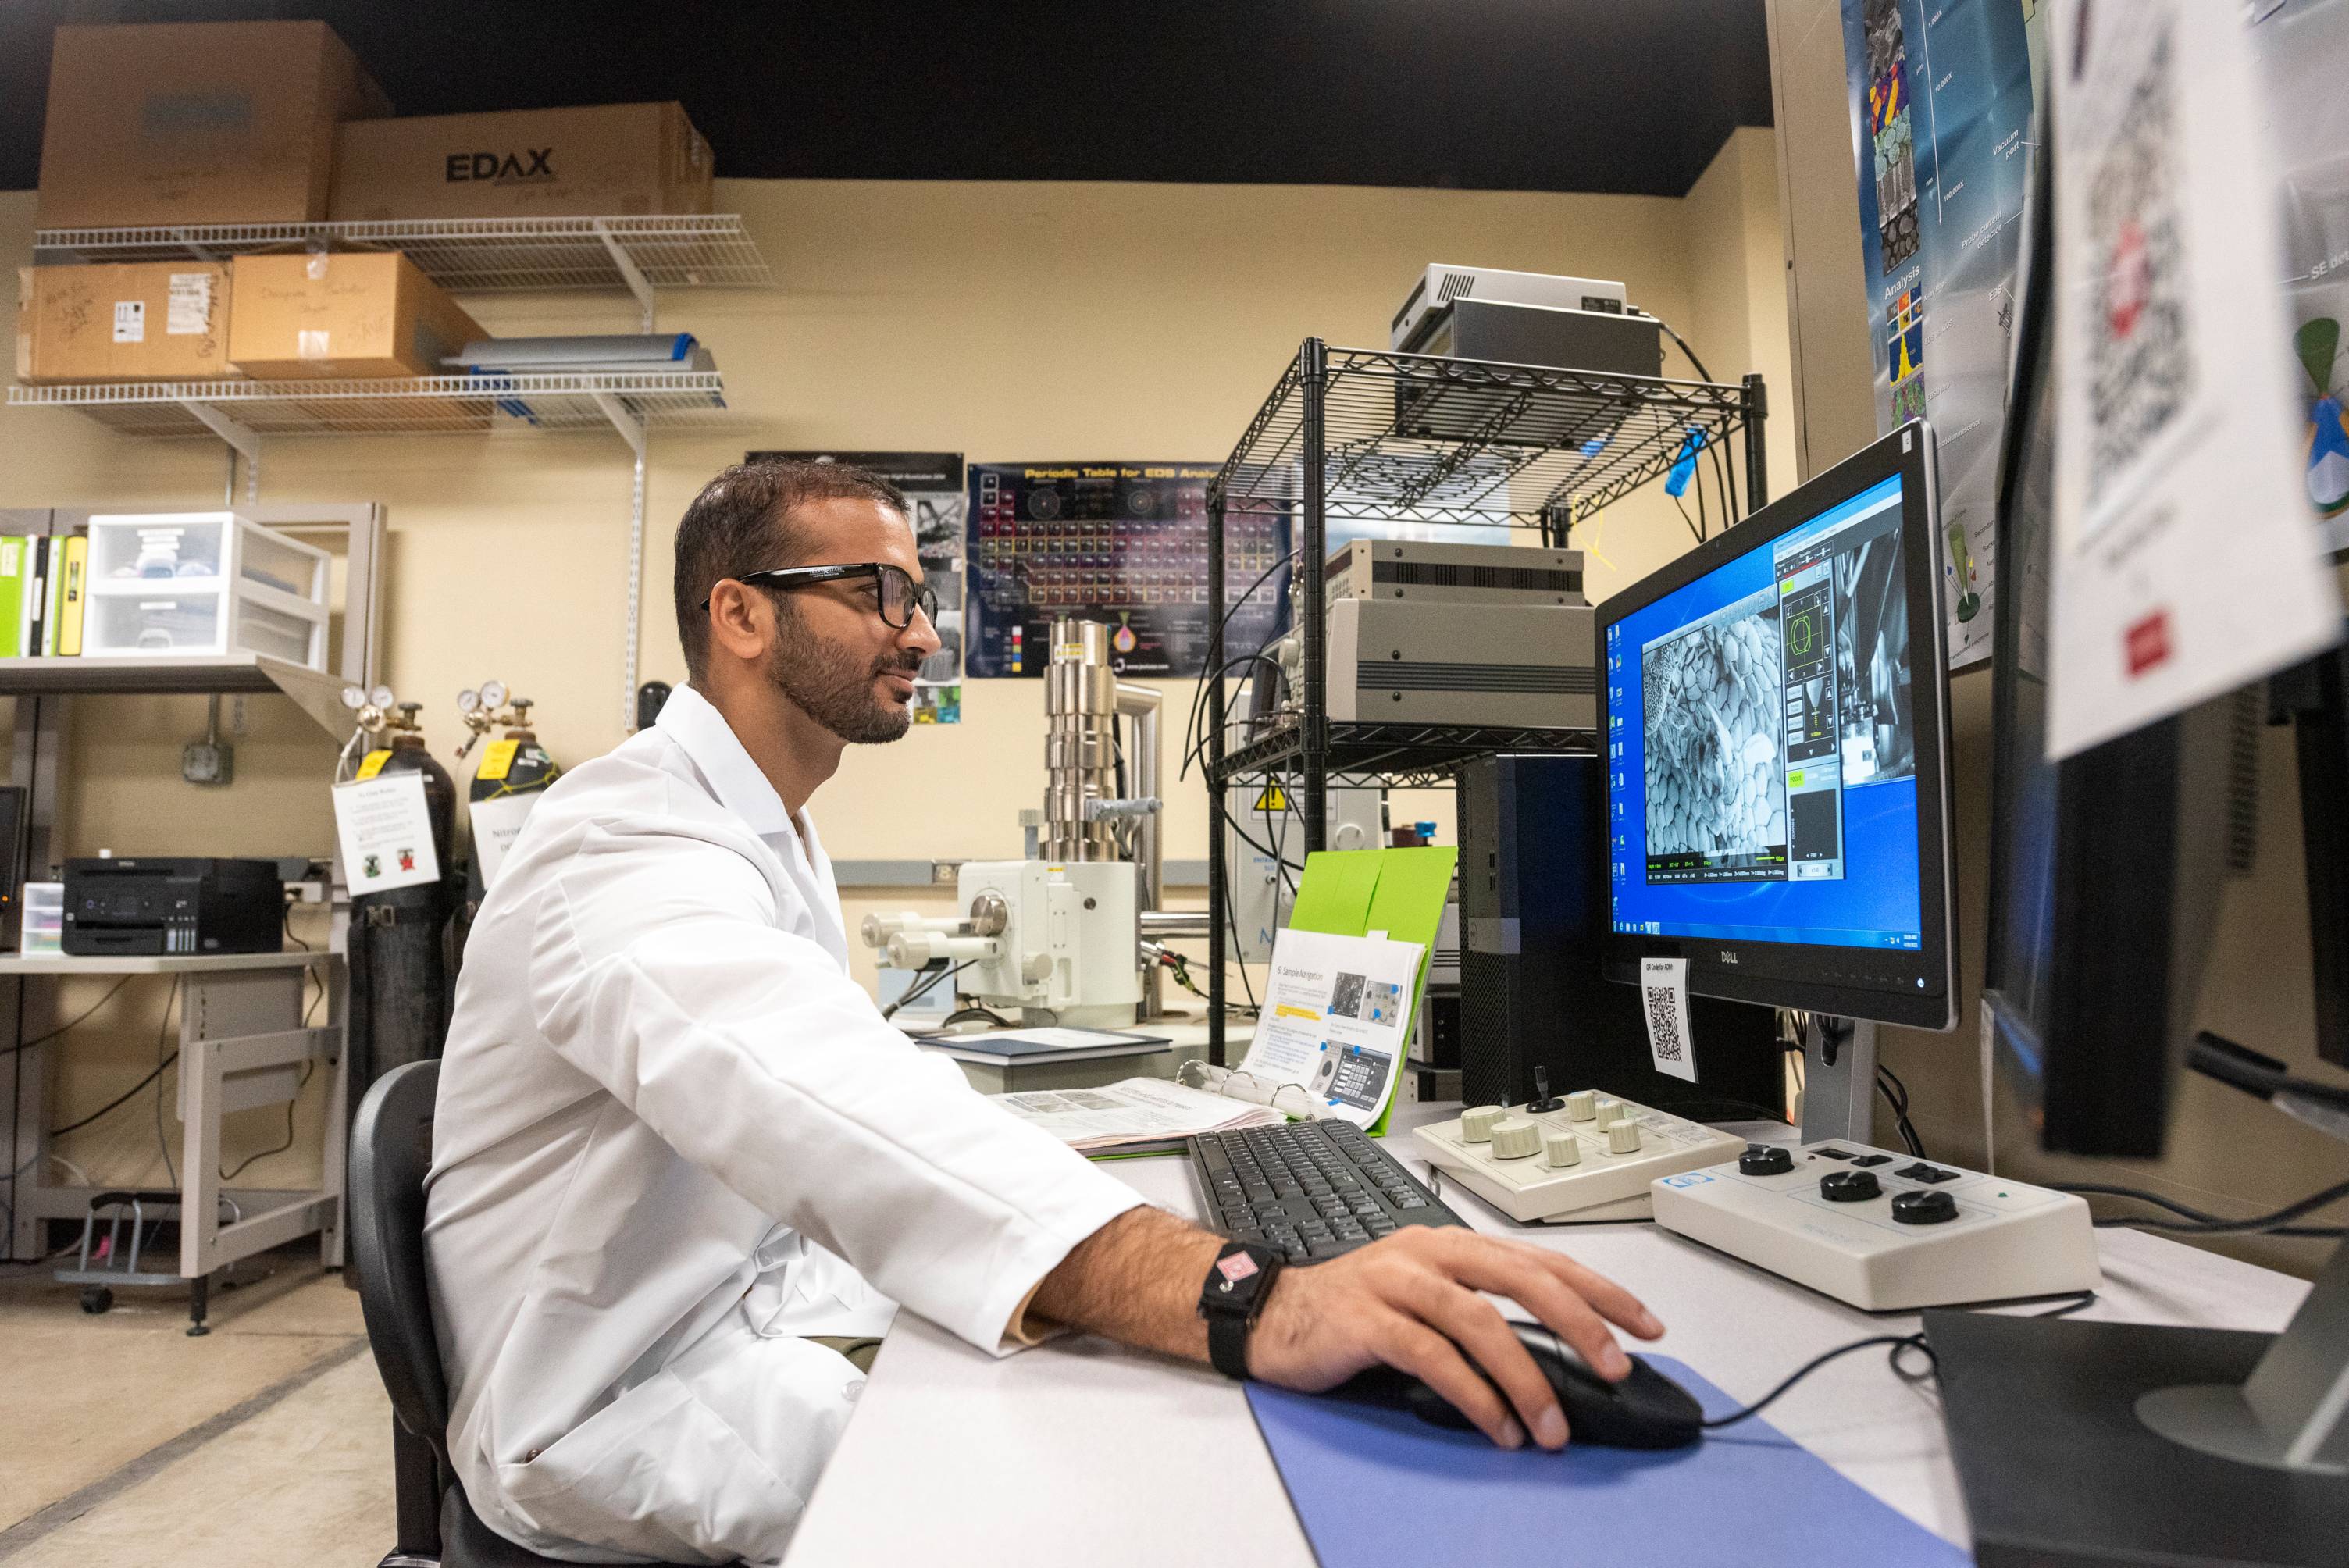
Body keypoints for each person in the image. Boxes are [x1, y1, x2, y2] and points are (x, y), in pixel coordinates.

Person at [426, 459, 1664, 1565]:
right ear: (739, 613)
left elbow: (843, 1098)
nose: (919, 633)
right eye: (879, 595)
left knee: (1119, 1389)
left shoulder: (764, 824)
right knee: (1086, 1498)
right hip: (616, 1395)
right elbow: (810, 1094)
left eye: (921, 597)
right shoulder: (623, 839)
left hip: (754, 1313)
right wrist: (1248, 1294)